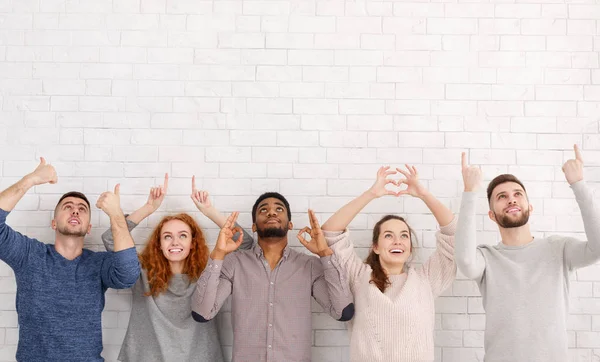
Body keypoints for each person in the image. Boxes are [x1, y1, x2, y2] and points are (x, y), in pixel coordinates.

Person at [455, 145, 600, 362]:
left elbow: (597, 248)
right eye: (501, 197)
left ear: (529, 207)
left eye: (517, 194)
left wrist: (578, 184)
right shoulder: (487, 258)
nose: (511, 199)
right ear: (492, 215)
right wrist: (470, 192)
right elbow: (465, 262)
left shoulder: (559, 249)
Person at [0, 158, 140, 361]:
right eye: (68, 206)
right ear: (54, 223)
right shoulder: (30, 255)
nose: (75, 210)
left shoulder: (99, 264)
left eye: (82, 208)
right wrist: (30, 180)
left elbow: (128, 275)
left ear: (89, 228)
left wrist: (116, 214)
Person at [101, 175, 253, 362]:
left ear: (192, 243)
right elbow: (110, 238)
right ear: (159, 244)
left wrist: (209, 210)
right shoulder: (141, 272)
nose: (175, 242)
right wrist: (148, 208)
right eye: (167, 236)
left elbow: (245, 244)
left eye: (182, 236)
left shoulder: (210, 274)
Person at [191, 192, 354, 362]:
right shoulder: (234, 264)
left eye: (278, 208)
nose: (271, 212)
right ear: (253, 227)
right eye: (263, 210)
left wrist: (325, 253)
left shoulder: (309, 266)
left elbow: (343, 311)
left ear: (290, 224)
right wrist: (218, 254)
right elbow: (202, 313)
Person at [321, 165, 457, 362]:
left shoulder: (426, 280)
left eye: (404, 236)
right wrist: (371, 194)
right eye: (388, 235)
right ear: (375, 247)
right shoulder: (359, 277)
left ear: (410, 246)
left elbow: (454, 236)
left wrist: (423, 194)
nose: (397, 241)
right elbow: (330, 233)